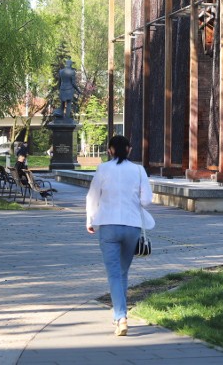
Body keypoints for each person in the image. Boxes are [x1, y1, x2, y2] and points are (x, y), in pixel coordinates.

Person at [86, 135, 154, 337]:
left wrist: (90, 220)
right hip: (132, 226)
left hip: (108, 225)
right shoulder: (139, 170)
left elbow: (92, 196)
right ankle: (119, 316)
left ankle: (121, 316)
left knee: (115, 273)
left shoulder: (103, 169)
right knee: (123, 271)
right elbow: (147, 200)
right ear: (130, 150)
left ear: (110, 150)